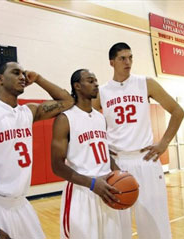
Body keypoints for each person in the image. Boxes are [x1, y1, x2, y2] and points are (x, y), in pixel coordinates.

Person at [91, 42, 184, 239]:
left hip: (146, 159)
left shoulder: (145, 82)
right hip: (117, 164)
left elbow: (178, 111)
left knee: (155, 225)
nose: (128, 62)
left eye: (131, 57)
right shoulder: (103, 92)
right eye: (122, 58)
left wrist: (164, 143)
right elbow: (87, 122)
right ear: (111, 62)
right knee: (117, 227)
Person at [0, 61, 74, 239]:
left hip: (22, 204)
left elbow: (68, 101)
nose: (22, 77)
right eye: (16, 73)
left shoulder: (28, 111)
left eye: (23, 73)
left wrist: (38, 78)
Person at [51, 69, 122, 239]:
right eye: (90, 81)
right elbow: (57, 166)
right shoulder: (65, 119)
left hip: (106, 190)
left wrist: (121, 175)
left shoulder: (100, 118)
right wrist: (91, 183)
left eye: (96, 80)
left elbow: (104, 153)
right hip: (81, 192)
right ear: (77, 86)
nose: (96, 84)